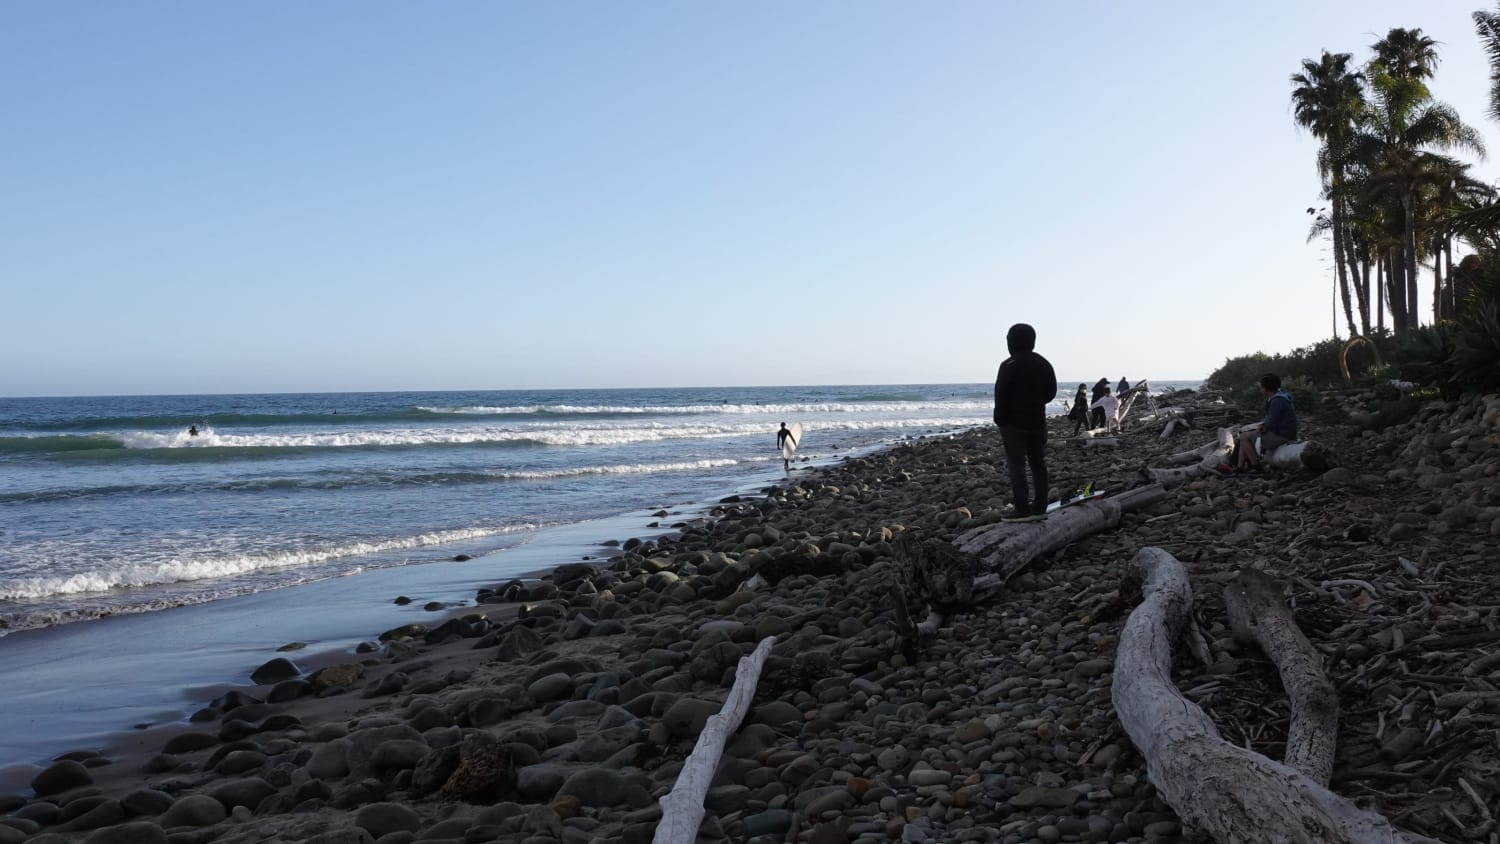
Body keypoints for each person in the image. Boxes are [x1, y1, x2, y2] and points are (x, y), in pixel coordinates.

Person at [994, 323, 1057, 521]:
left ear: (1011, 342)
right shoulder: (1043, 363)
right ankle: (1040, 505)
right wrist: (1036, 402)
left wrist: (1000, 419)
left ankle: (1022, 507)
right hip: (1037, 421)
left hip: (1013, 424)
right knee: (1038, 463)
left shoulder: (1008, 365)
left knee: (1017, 465)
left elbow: (1001, 394)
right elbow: (1051, 392)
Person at [1235, 374, 1297, 472]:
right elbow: (1273, 419)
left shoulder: (1277, 400)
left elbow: (1271, 421)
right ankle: (1239, 468)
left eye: (1262, 387)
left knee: (1244, 437)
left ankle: (1256, 466)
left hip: (1283, 435)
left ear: (1265, 388)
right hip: (1285, 432)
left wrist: (1261, 427)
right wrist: (1262, 426)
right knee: (1244, 435)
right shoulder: (1281, 396)